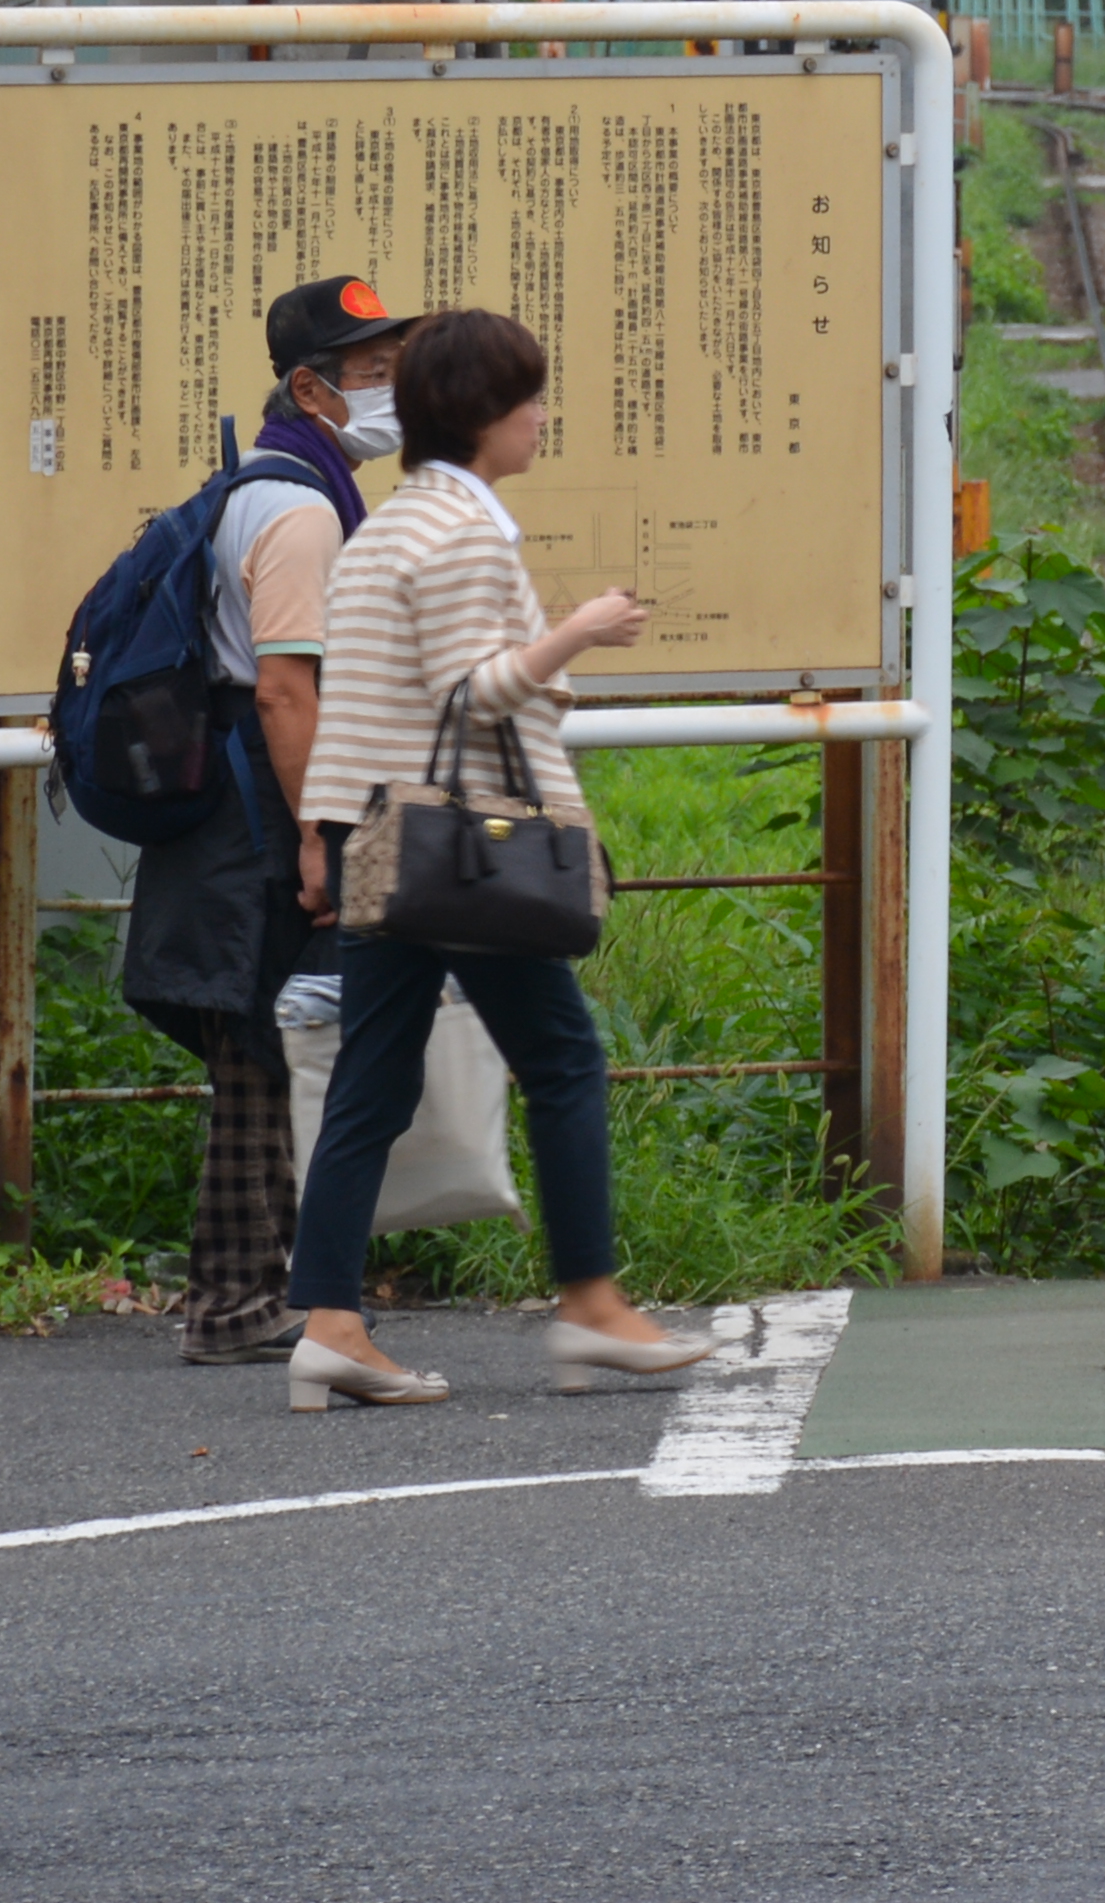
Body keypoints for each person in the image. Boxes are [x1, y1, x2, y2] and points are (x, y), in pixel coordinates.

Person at [281, 308, 708, 1409]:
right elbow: (473, 692)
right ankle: (591, 1305)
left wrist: (322, 832)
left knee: (372, 1080)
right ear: (482, 413)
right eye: (528, 399)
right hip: (465, 848)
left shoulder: (388, 527)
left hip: (384, 838)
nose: (541, 418)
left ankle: (329, 1323)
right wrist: (580, 629)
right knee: (562, 1060)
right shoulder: (467, 534)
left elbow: (358, 701)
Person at [130, 277, 405, 1364]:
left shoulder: (267, 483)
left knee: (263, 1047)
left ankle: (260, 1290)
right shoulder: (299, 511)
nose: (392, 391)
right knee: (257, 1050)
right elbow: (288, 691)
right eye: (373, 373)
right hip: (258, 818)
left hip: (231, 811)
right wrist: (319, 835)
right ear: (311, 386)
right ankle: (236, 1304)